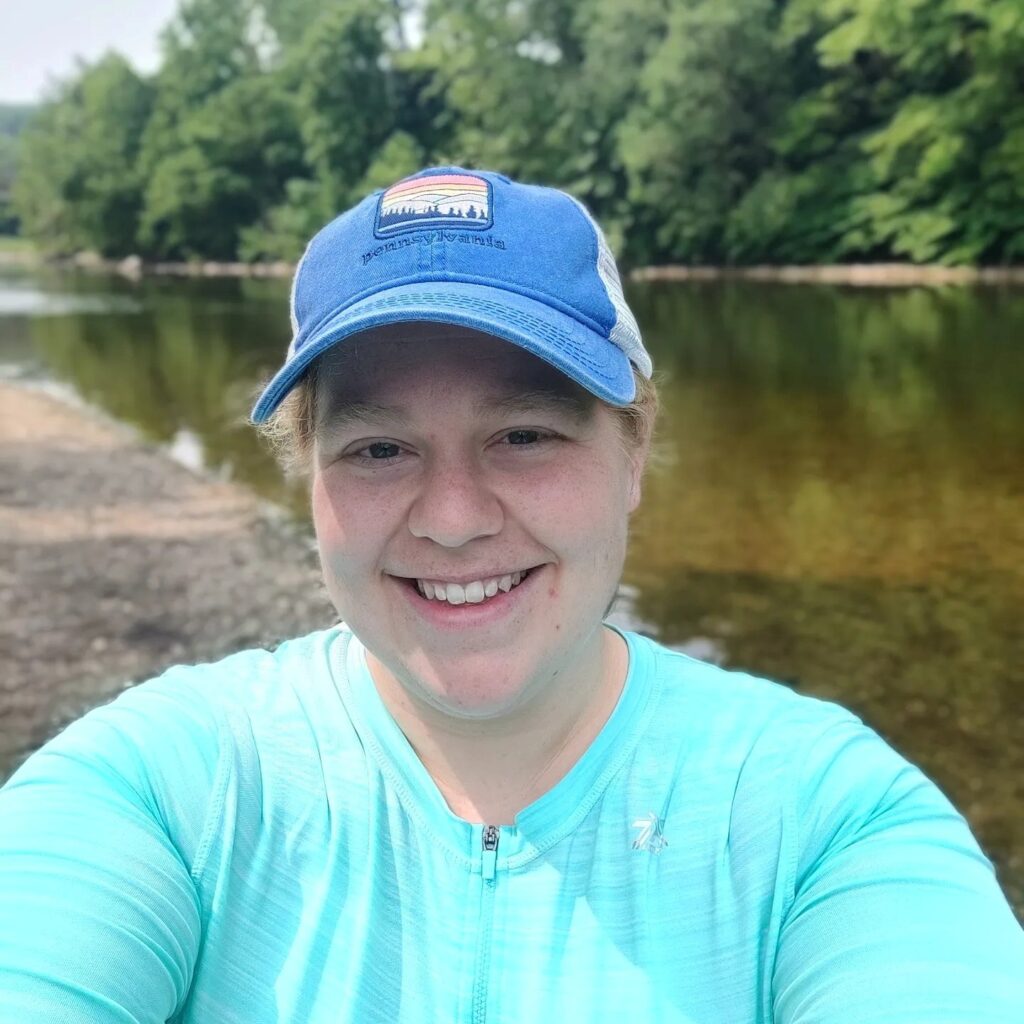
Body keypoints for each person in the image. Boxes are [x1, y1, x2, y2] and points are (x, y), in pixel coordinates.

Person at [0, 166, 1021, 1023]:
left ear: (634, 453)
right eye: (379, 447)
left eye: (524, 435)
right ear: (308, 473)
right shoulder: (172, 785)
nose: (452, 519)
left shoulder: (820, 817)